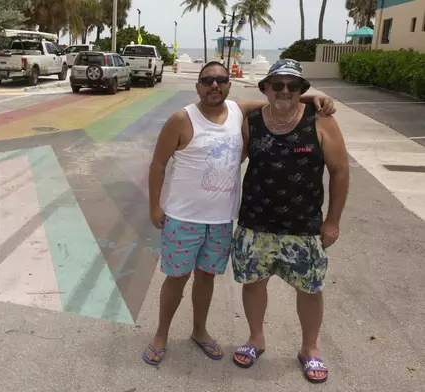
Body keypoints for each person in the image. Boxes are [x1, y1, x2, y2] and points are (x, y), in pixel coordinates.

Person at [143, 60, 336, 366]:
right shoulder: (181, 119)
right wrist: (155, 206)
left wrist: (312, 98)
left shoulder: (237, 111)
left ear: (229, 85)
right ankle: (161, 334)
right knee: (176, 279)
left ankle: (200, 331)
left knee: (206, 279)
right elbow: (157, 164)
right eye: (207, 80)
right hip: (183, 217)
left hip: (221, 220)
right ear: (198, 86)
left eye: (220, 79)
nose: (214, 85)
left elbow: (278, 97)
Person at [231, 59, 349, 384]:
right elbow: (233, 134)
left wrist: (333, 221)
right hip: (256, 222)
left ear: (302, 89)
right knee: (254, 285)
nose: (285, 90)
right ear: (265, 87)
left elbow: (339, 171)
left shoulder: (320, 120)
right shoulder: (251, 120)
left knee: (310, 289)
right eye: (278, 84)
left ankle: (309, 348)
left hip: (305, 225)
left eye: (293, 86)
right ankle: (256, 338)